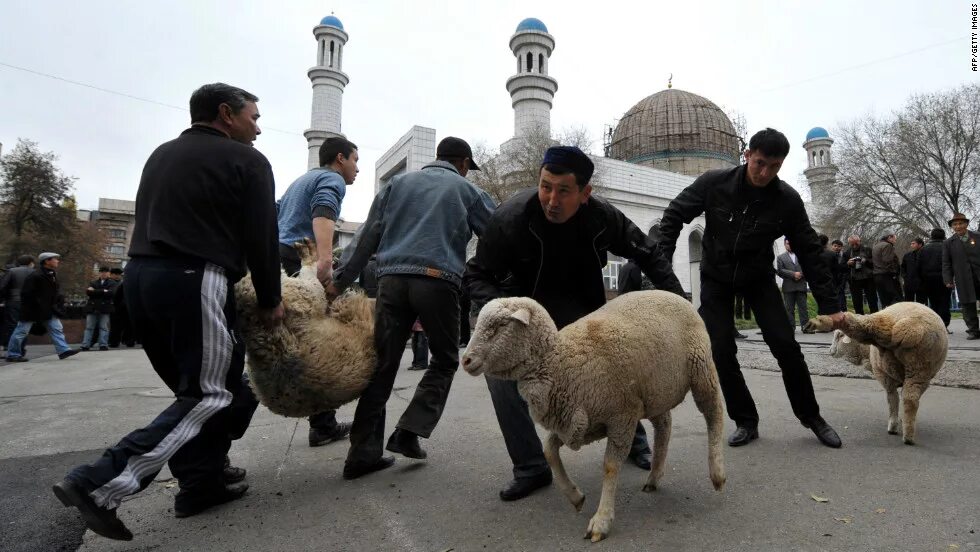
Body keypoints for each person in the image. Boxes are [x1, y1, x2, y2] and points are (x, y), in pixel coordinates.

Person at [53, 83, 283, 541]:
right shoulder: (248, 161)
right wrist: (271, 297)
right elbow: (261, 235)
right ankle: (98, 482)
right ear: (226, 114)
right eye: (253, 117)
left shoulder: (161, 154)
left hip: (139, 280)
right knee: (210, 395)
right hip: (194, 278)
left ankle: (202, 483)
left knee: (205, 389)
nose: (258, 128)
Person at [465, 145, 685, 501]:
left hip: (581, 306)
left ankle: (632, 441)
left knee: (616, 369)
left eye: (564, 190)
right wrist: (499, 313)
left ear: (585, 194)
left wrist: (678, 304)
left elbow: (647, 252)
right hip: (526, 313)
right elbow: (476, 273)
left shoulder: (602, 218)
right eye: (545, 186)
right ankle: (531, 467)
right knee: (499, 378)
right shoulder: (510, 218)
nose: (551, 199)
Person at [658, 128, 845, 449]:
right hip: (716, 276)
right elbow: (674, 214)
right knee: (719, 349)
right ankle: (745, 420)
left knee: (786, 345)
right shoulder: (714, 183)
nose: (764, 173)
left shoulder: (786, 199)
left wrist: (830, 304)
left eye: (774, 167)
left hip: (758, 278)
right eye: (759, 163)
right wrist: (662, 267)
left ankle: (811, 415)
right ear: (747, 155)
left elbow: (811, 251)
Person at [330, 136, 495, 480]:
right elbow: (497, 236)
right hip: (438, 280)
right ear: (463, 163)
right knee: (447, 359)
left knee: (383, 366)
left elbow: (367, 236)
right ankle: (409, 431)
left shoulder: (397, 184)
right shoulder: (468, 192)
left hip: (391, 281)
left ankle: (362, 454)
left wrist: (338, 282)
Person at [277, 136, 360, 448]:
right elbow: (323, 212)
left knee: (289, 338)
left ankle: (322, 422)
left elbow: (276, 214)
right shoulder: (331, 179)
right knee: (316, 341)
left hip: (281, 257)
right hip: (301, 260)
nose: (357, 168)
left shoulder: (302, 179)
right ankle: (323, 425)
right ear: (340, 159)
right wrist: (325, 259)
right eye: (355, 160)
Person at [5, 252, 79, 362]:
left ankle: (63, 350)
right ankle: (13, 354)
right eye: (55, 259)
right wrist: (36, 306)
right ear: (47, 261)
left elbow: (53, 292)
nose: (57, 261)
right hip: (32, 310)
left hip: (48, 309)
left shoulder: (51, 274)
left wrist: (57, 302)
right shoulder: (36, 275)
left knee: (56, 328)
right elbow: (27, 294)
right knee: (21, 331)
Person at [942, 213, 980, 340]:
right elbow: (946, 263)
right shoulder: (948, 243)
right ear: (952, 227)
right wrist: (948, 279)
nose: (958, 226)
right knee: (967, 304)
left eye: (960, 223)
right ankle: (973, 331)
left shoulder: (977, 237)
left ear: (966, 224)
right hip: (963, 277)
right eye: (955, 224)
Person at [0, 255, 35, 355]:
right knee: (24, 327)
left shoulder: (12, 271)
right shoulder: (35, 273)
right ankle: (21, 348)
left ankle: (12, 349)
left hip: (13, 301)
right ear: (31, 263)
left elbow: (2, 287)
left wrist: (4, 298)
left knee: (12, 325)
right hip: (29, 303)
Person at [919, 228, 951, 330]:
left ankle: (935, 324)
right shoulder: (946, 246)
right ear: (943, 236)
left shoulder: (923, 249)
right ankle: (944, 324)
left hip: (928, 279)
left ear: (932, 236)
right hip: (944, 278)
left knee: (934, 302)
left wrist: (922, 278)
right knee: (944, 301)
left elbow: (919, 265)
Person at [81, 267, 118, 351]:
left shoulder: (112, 283)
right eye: (102, 272)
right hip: (92, 307)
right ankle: (85, 345)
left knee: (103, 327)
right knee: (89, 327)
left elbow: (111, 293)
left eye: (105, 272)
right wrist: (103, 291)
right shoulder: (93, 282)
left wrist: (96, 291)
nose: (103, 273)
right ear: (99, 273)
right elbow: (89, 293)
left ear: (109, 273)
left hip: (105, 308)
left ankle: (103, 345)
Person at [776, 239, 810, 332]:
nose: (790, 245)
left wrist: (800, 274)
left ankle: (806, 327)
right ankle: (790, 327)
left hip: (801, 285)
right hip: (788, 286)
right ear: (784, 244)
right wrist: (793, 274)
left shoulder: (802, 255)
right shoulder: (780, 257)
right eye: (788, 244)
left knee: (803, 307)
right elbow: (780, 271)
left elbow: (808, 267)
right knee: (789, 309)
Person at [844, 235, 878, 314]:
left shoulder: (868, 250)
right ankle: (859, 319)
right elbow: (842, 267)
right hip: (854, 280)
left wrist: (866, 261)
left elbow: (875, 262)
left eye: (856, 243)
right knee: (857, 302)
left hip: (868, 278)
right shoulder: (847, 252)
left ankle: (875, 317)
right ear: (849, 244)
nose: (855, 246)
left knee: (872, 300)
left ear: (860, 241)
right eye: (852, 244)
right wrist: (848, 263)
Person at [107, 268, 137, 348]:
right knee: (116, 326)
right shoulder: (111, 283)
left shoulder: (122, 283)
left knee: (128, 325)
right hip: (118, 307)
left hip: (124, 307)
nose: (117, 276)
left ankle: (127, 341)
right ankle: (116, 342)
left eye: (119, 274)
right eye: (116, 274)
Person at [872, 232, 901, 307]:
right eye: (894, 239)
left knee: (884, 301)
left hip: (877, 276)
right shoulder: (887, 245)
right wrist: (894, 273)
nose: (895, 241)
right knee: (896, 300)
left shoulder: (876, 246)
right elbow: (887, 261)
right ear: (889, 238)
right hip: (887, 276)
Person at [901, 238, 927, 304]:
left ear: (920, 244)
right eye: (911, 244)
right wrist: (905, 277)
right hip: (909, 283)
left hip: (922, 284)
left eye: (913, 243)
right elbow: (903, 267)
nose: (911, 245)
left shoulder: (926, 254)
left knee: (921, 304)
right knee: (908, 303)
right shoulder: (907, 255)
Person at [829, 239, 848, 312]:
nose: (837, 248)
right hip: (832, 281)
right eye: (835, 246)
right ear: (832, 246)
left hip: (842, 280)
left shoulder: (844, 256)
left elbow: (846, 269)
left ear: (841, 247)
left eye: (839, 246)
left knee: (841, 299)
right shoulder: (828, 255)